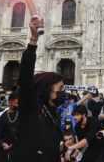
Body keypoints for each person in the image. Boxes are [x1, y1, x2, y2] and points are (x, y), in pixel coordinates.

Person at [12, 14, 65, 162]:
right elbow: (25, 77)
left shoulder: (51, 111)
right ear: (48, 88)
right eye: (60, 88)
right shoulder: (31, 106)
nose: (63, 92)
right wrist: (33, 41)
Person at [0, 91, 19, 162]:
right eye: (17, 103)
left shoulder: (22, 115)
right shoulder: (2, 118)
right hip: (5, 154)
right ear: (10, 102)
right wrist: (3, 144)